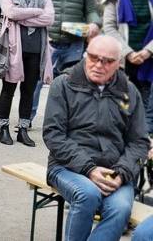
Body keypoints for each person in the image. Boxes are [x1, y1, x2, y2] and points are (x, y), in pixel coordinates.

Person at [43, 35, 148, 241]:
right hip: (67, 167)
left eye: (107, 61)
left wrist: (123, 172)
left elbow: (139, 141)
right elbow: (53, 135)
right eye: (93, 57)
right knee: (88, 195)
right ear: (85, 55)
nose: (98, 65)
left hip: (114, 170)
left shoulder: (129, 91)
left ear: (119, 64)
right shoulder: (64, 84)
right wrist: (89, 169)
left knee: (121, 208)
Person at [30, 0, 102, 119]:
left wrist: (93, 23)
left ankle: (63, 119)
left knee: (70, 83)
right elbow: (35, 8)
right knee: (37, 81)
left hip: (73, 44)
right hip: (47, 41)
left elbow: (92, 11)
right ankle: (27, 119)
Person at [0, 0, 54, 147]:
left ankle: (23, 129)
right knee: (8, 89)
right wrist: (37, 11)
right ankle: (4, 128)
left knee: (28, 90)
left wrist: (25, 14)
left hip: (36, 49)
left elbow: (49, 18)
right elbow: (10, 13)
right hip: (14, 48)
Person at [101, 0, 153, 104]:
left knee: (145, 105)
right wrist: (129, 53)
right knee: (123, 104)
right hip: (124, 60)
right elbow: (109, 27)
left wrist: (147, 52)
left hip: (149, 59)